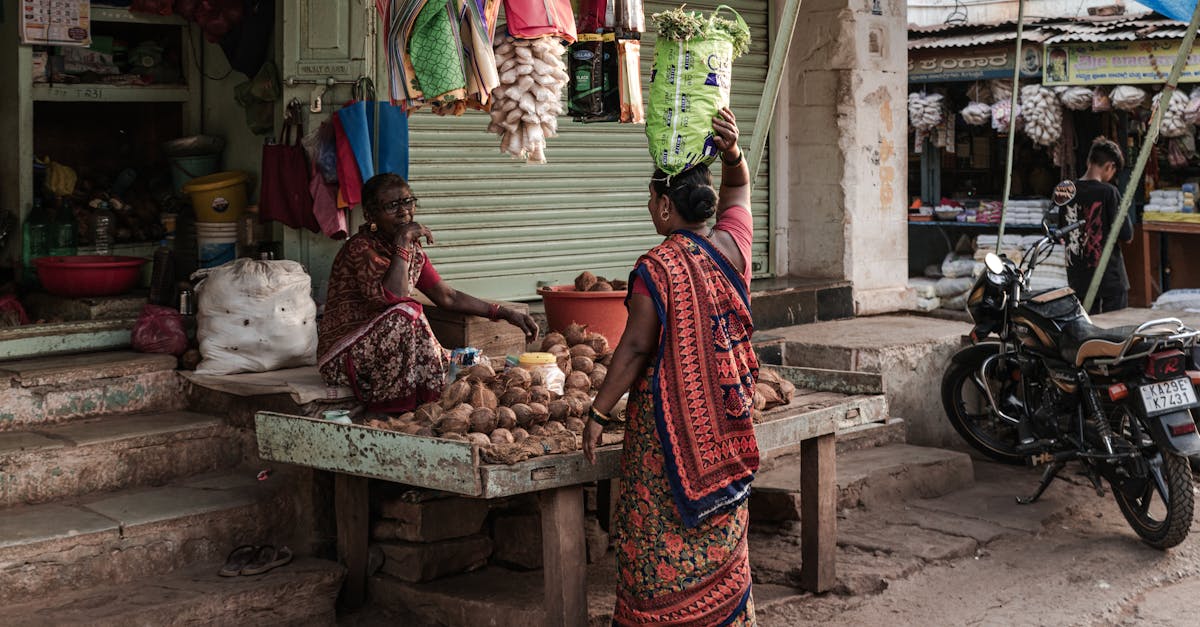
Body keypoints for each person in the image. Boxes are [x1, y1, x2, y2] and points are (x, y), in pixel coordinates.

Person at [583, 108, 759, 626]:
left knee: (655, 544)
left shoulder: (654, 268)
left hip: (666, 440)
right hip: (727, 431)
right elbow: (740, 195)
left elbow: (636, 348)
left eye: (651, 200)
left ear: (664, 207)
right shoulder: (733, 246)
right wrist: (734, 154)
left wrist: (596, 413)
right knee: (724, 541)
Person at [317, 173, 538, 413]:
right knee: (407, 311)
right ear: (371, 215)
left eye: (407, 202)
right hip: (344, 358)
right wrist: (402, 242)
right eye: (392, 206)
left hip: (382, 354)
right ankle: (393, 408)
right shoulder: (361, 247)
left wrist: (505, 313)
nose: (404, 212)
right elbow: (395, 296)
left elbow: (447, 296)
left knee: (457, 353)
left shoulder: (412, 250)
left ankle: (428, 407)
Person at [1054, 136, 1133, 313]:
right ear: (1109, 167)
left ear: (1089, 160)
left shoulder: (1065, 191)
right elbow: (1127, 235)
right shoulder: (1109, 192)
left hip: (1077, 284)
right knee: (1110, 337)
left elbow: (1062, 233)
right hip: (1108, 285)